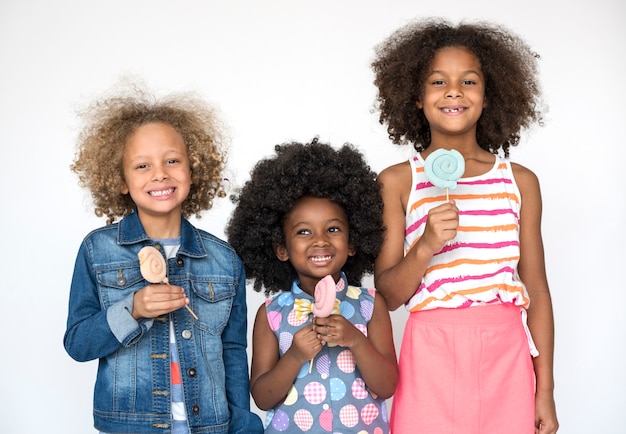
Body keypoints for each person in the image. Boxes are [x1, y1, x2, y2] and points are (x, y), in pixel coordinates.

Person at [371, 18, 558, 434]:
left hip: (505, 356)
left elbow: (538, 291)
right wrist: (425, 246)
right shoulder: (398, 181)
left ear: (489, 96)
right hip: (429, 357)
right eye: (438, 81)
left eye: (469, 81)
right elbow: (386, 294)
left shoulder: (520, 182)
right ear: (416, 97)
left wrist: (544, 390)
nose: (453, 91)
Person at [63, 83, 263, 434]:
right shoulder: (98, 251)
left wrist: (242, 424)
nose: (160, 173)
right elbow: (78, 343)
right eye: (142, 165)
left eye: (172, 160)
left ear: (193, 168)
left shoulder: (224, 260)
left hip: (210, 425)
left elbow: (232, 352)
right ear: (121, 179)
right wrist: (133, 309)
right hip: (132, 426)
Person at [226, 139, 398, 433]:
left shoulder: (370, 304)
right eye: (303, 231)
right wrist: (294, 355)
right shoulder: (271, 314)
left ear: (353, 242)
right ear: (281, 249)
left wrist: (356, 340)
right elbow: (263, 397)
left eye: (333, 229)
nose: (320, 240)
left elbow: (388, 385)